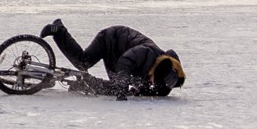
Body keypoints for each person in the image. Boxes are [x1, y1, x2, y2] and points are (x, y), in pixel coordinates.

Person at [40, 19, 185, 99]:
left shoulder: (165, 68)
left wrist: (159, 91)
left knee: (119, 87)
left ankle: (84, 84)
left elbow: (161, 88)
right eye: (155, 80)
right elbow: (124, 63)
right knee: (83, 61)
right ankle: (59, 30)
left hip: (118, 52)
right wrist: (122, 91)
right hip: (110, 39)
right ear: (156, 70)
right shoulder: (146, 53)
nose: (154, 83)